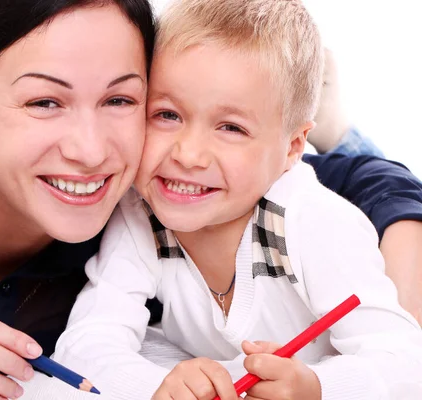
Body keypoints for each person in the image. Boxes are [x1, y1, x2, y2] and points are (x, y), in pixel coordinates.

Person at [0, 0, 421, 399]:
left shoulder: (156, 188)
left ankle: (334, 123)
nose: (89, 152)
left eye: (120, 100)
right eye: (44, 102)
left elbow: (337, 184)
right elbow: (96, 349)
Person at [51, 1, 422, 399]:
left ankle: (339, 130)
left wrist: (317, 387)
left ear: (292, 147)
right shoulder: (139, 209)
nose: (188, 155)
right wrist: (157, 386)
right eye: (167, 114)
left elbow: (404, 361)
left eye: (231, 127)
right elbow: (86, 344)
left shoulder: (314, 222)